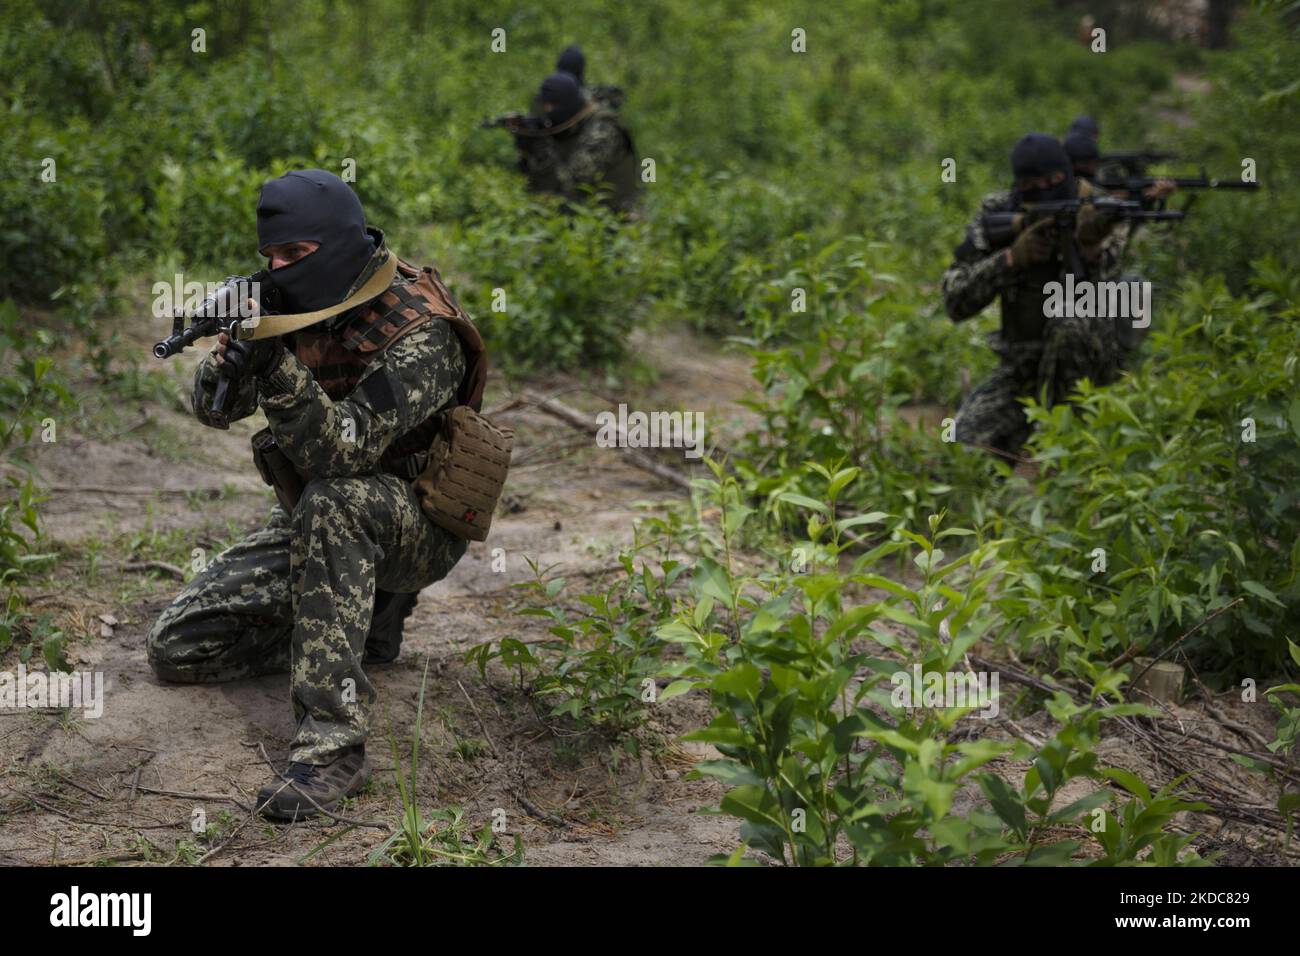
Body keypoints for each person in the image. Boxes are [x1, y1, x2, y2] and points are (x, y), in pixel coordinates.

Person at [146, 169, 487, 821]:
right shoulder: (294, 303)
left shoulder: (420, 330)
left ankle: (333, 751)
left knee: (334, 502)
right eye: (270, 256)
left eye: (294, 256)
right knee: (181, 646)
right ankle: (367, 623)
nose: (278, 268)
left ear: (336, 247)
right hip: (329, 519)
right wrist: (239, 352)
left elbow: (345, 451)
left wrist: (276, 365)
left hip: (420, 519)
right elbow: (213, 411)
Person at [941, 134, 1125, 460]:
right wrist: (1010, 260)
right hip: (1021, 369)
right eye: (1033, 185)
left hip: (1087, 377)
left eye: (1054, 181)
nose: (1045, 189)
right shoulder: (1000, 212)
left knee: (1071, 325)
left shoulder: (1098, 209)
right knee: (964, 455)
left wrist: (1090, 249)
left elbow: (1111, 296)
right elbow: (955, 302)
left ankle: (1070, 444)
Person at [515, 71, 637, 212]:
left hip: (614, 215)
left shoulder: (602, 132)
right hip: (579, 212)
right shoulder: (562, 123)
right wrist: (527, 148)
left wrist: (541, 150)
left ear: (570, 103)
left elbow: (573, 186)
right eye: (545, 103)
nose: (547, 110)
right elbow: (533, 184)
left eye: (554, 104)